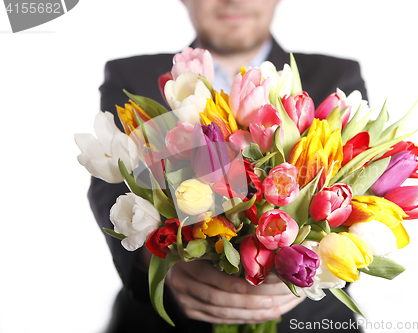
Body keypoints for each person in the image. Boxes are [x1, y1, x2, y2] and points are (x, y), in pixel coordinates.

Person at [90, 0, 368, 331]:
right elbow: (114, 185)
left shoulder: (336, 76)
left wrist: (312, 272)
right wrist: (158, 262)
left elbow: (358, 190)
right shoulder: (135, 76)